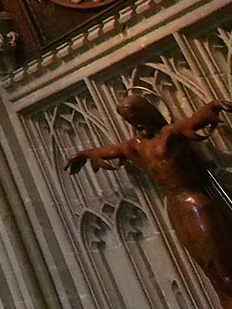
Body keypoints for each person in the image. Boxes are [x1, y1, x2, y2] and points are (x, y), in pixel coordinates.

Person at [66, 94, 232, 307]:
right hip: (174, 207)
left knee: (224, 268)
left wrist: (214, 105)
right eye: (128, 120)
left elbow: (193, 121)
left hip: (194, 202)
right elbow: (111, 150)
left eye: (135, 116)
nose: (134, 123)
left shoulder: (169, 134)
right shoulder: (135, 146)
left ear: (147, 113)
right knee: (212, 273)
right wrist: (86, 153)